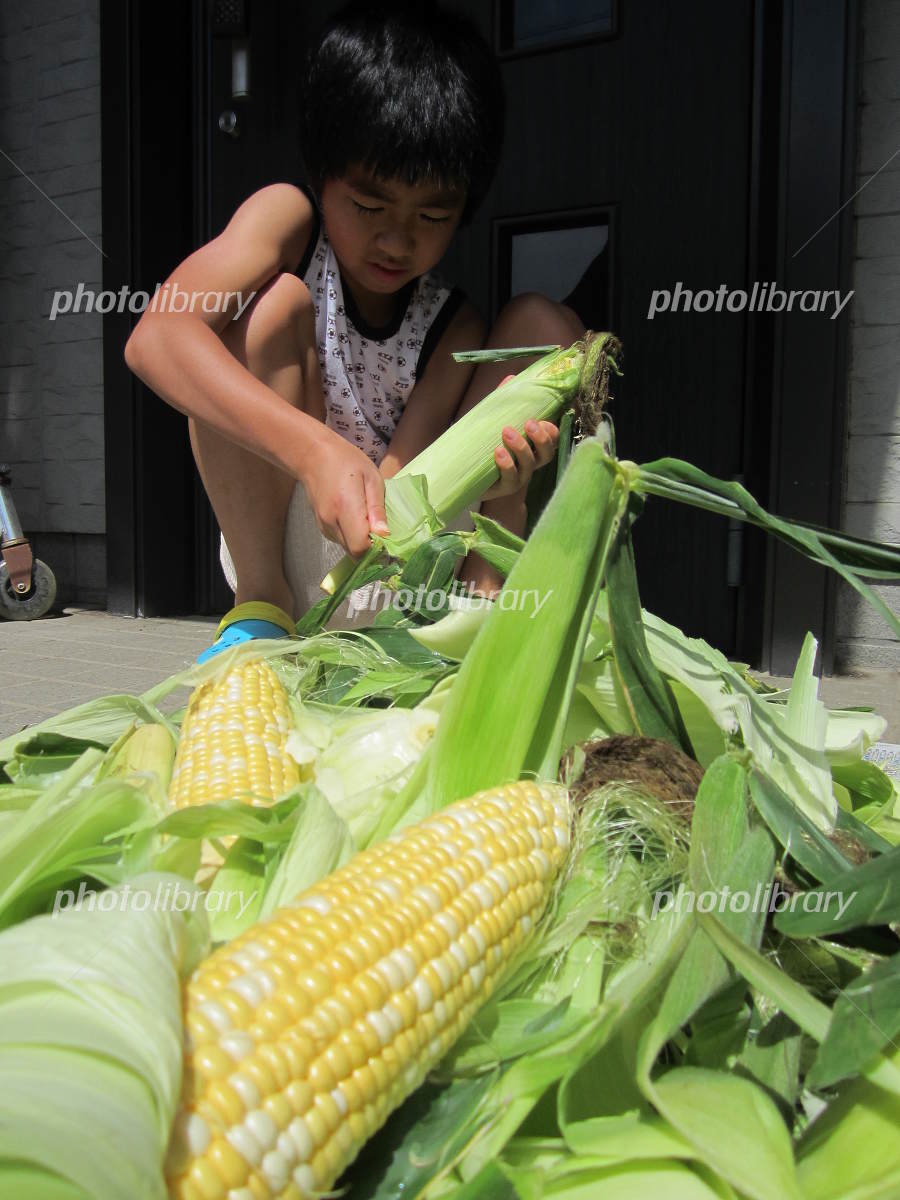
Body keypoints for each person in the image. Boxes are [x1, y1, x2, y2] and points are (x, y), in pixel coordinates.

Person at [125, 0, 583, 653]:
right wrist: (317, 451)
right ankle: (258, 604)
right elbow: (156, 339)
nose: (396, 239)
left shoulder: (453, 325)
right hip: (290, 552)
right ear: (322, 174)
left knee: (543, 324)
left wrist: (507, 488)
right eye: (369, 204)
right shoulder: (288, 222)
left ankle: (483, 611)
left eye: (431, 216)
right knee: (271, 309)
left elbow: (402, 489)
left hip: (392, 569)